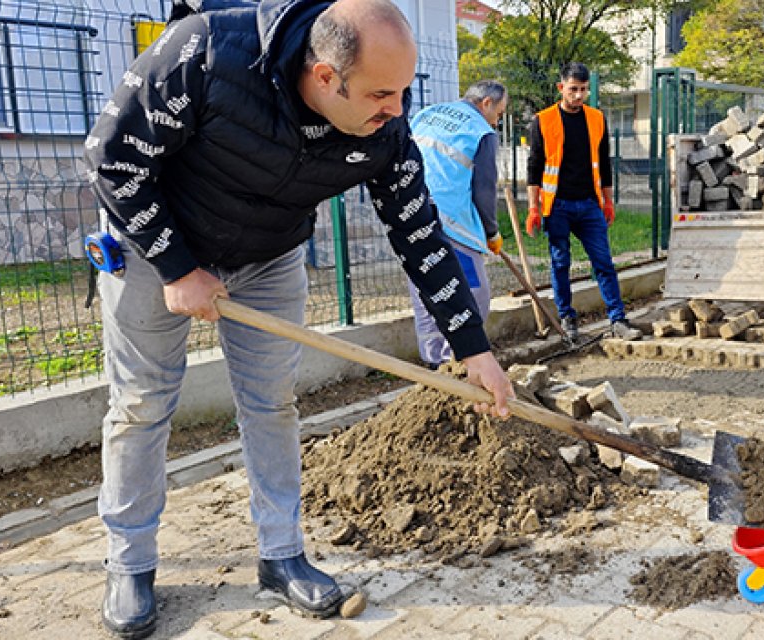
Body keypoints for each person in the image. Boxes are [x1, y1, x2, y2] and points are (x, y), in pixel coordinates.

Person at [82, 1, 514, 637]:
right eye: (380, 93)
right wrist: (177, 269)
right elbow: (112, 157)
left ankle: (282, 555)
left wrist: (474, 349)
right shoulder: (203, 53)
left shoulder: (385, 130)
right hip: (155, 244)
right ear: (323, 77)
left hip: (268, 255)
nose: (397, 110)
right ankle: (131, 562)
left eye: (403, 91)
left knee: (272, 403)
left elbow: (420, 236)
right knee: (142, 404)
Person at [524, 62, 641, 341]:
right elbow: (534, 167)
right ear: (561, 88)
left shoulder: (597, 119)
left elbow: (606, 164)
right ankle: (567, 318)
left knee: (603, 262)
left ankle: (618, 319)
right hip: (557, 206)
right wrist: (533, 208)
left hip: (589, 205)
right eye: (573, 89)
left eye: (584, 90)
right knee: (560, 263)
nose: (578, 95)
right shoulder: (542, 121)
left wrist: (608, 201)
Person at [407, 80, 507, 368]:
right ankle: (462, 359)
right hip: (451, 224)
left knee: (424, 289)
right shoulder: (481, 131)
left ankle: (434, 363)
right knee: (474, 292)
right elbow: (484, 189)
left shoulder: (427, 114)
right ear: (486, 103)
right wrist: (491, 232)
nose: (497, 121)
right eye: (498, 113)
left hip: (410, 217)